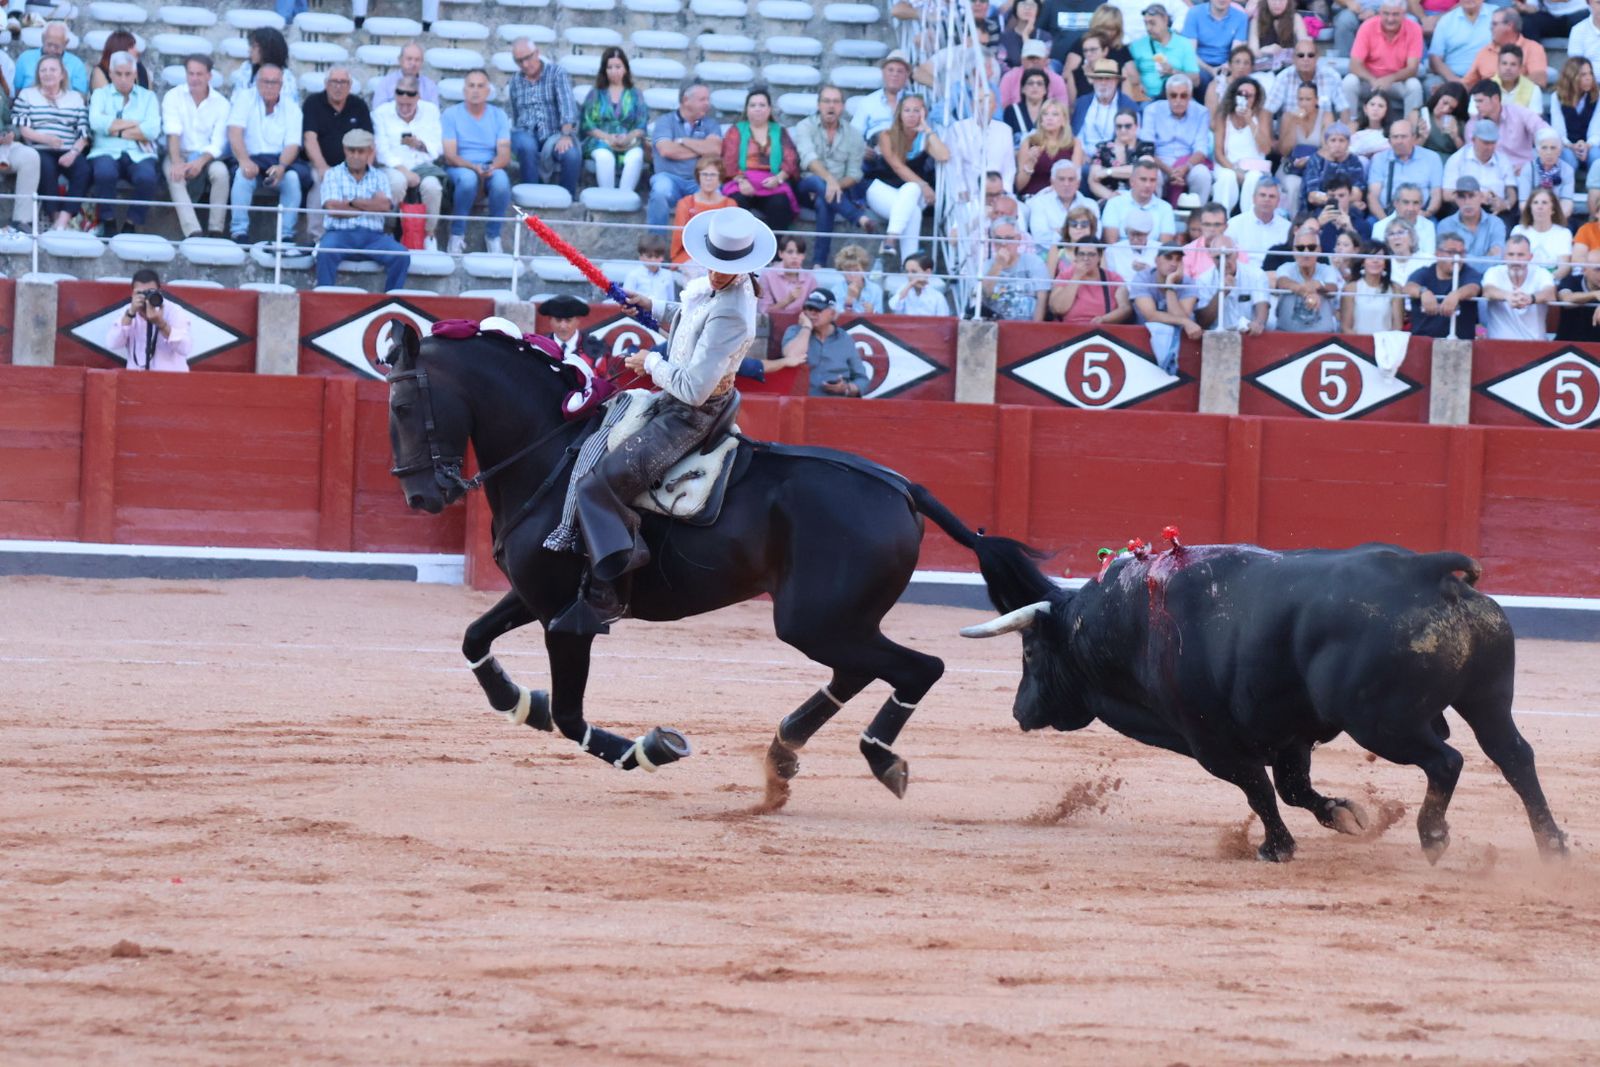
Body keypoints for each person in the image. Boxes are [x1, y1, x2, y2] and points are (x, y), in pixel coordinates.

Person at [562, 207, 771, 633]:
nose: (714, 273)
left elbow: (693, 388)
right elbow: (689, 317)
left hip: (692, 414)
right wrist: (652, 305)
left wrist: (649, 362)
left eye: (723, 268)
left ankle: (611, 592)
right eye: (712, 264)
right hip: (677, 401)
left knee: (599, 485)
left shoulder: (733, 311)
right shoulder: (717, 290)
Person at [313, 128, 409, 290]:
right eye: (351, 150)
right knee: (325, 252)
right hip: (339, 235)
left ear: (370, 152)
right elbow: (333, 208)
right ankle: (324, 298)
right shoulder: (332, 174)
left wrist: (350, 203)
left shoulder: (380, 176)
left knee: (401, 256)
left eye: (360, 151)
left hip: (374, 238)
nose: (355, 156)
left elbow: (384, 206)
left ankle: (392, 301)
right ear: (344, 150)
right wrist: (369, 204)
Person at [864, 94, 947, 268]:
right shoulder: (886, 135)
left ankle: (890, 241)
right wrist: (923, 185)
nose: (911, 114)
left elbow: (944, 155)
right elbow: (897, 166)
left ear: (924, 113)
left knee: (911, 192)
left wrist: (926, 128)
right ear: (899, 113)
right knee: (914, 208)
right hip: (883, 190)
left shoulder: (926, 139)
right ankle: (909, 266)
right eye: (907, 110)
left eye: (916, 110)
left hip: (914, 195)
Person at [793, 85, 871, 268]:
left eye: (836, 101)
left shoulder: (853, 135)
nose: (831, 106)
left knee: (824, 201)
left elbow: (854, 174)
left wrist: (833, 185)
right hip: (806, 188)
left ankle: (819, 263)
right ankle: (857, 217)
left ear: (842, 106)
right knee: (815, 181)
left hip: (835, 192)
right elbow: (808, 159)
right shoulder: (805, 126)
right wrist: (829, 181)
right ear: (818, 104)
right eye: (826, 101)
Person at [226, 64, 305, 245]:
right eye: (265, 82)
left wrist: (282, 166)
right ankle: (239, 232)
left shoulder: (292, 107)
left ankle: (286, 235)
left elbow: (293, 144)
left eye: (274, 82)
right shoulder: (245, 98)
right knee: (241, 175)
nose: (269, 86)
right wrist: (244, 161)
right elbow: (235, 132)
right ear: (257, 82)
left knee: (292, 179)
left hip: (278, 161)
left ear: (281, 84)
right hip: (250, 158)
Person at [88, 51, 160, 236]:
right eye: (118, 74)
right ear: (110, 74)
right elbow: (96, 122)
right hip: (105, 150)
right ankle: (108, 220)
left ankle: (131, 223)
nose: (123, 79)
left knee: (147, 178)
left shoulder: (148, 97)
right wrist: (136, 123)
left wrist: (114, 128)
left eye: (128, 74)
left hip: (139, 152)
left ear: (135, 74)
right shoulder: (100, 94)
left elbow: (152, 130)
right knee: (104, 173)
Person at [441, 69, 512, 255]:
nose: (475, 90)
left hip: (489, 164)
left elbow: (504, 154)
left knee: (502, 182)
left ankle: (493, 236)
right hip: (459, 166)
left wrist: (491, 167)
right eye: (471, 85)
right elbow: (450, 155)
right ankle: (456, 235)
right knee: (468, 180)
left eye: (480, 86)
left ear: (488, 91)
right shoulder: (451, 114)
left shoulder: (499, 116)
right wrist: (474, 168)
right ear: (464, 90)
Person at [15, 56, 89, 232]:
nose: (48, 74)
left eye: (52, 70)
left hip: (68, 149)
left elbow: (84, 133)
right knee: (46, 166)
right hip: (40, 148)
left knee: (84, 169)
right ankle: (53, 216)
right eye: (43, 70)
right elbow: (24, 130)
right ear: (38, 74)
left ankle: (63, 220)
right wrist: (47, 139)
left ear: (62, 74)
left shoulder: (75, 98)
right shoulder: (27, 94)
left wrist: (73, 153)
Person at [374, 74, 445, 254]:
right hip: (393, 166)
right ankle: (389, 231)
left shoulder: (430, 111)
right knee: (397, 183)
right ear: (395, 98)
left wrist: (420, 145)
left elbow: (437, 148)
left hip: (423, 166)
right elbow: (381, 151)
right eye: (401, 104)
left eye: (409, 105)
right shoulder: (381, 113)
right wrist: (404, 171)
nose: (405, 108)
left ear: (418, 98)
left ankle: (429, 234)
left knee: (433, 187)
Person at [162, 55, 230, 239]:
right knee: (173, 174)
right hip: (179, 152)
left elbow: (218, 142)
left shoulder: (222, 104)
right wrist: (177, 163)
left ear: (209, 76)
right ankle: (193, 232)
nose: (194, 78)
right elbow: (173, 132)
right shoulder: (173, 96)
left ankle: (216, 230)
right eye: (190, 73)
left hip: (207, 156)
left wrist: (199, 163)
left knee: (221, 173)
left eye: (199, 74)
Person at [301, 68, 373, 243]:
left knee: (370, 185)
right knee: (319, 182)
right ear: (326, 84)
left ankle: (360, 239)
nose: (338, 87)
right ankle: (317, 240)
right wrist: (322, 167)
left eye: (343, 82)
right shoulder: (313, 103)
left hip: (353, 166)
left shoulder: (359, 105)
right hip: (320, 164)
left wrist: (365, 170)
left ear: (349, 86)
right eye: (334, 82)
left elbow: (369, 142)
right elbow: (309, 139)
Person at [720, 87, 800, 233]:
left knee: (780, 203)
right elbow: (728, 161)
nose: (758, 109)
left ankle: (775, 253)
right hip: (742, 182)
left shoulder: (779, 131)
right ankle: (737, 251)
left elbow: (791, 159)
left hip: (772, 183)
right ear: (747, 109)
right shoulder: (736, 130)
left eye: (762, 105)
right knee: (736, 202)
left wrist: (779, 178)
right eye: (753, 105)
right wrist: (742, 181)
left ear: (769, 109)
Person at [507, 42, 581, 197]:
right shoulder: (515, 80)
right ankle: (530, 198)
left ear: (537, 53)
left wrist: (566, 135)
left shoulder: (556, 73)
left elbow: (567, 105)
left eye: (528, 58)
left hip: (554, 132)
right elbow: (515, 113)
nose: (525, 64)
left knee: (571, 154)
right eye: (519, 61)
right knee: (526, 146)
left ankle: (567, 200)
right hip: (524, 131)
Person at [647, 81, 722, 234]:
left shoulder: (710, 124)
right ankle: (655, 248)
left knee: (718, 192)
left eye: (708, 99)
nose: (707, 104)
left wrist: (683, 141)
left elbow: (715, 150)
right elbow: (666, 150)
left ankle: (707, 248)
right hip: (668, 178)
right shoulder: (665, 121)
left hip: (700, 180)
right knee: (660, 191)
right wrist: (701, 148)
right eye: (703, 99)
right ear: (686, 100)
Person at [1342, 0, 1424, 120]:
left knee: (1414, 86)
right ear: (1380, 12)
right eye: (1386, 14)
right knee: (1349, 82)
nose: (1390, 19)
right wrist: (1373, 80)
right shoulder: (1368, 26)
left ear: (1404, 14)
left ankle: (1409, 130)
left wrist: (1390, 79)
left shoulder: (1414, 29)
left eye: (1395, 14)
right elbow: (1354, 65)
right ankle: (1349, 126)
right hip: (1369, 81)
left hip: (1396, 82)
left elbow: (1412, 68)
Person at [581, 47, 648, 195]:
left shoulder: (636, 94)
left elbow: (641, 124)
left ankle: (624, 197)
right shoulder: (595, 94)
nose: (614, 71)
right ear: (604, 70)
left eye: (618, 67)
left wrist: (629, 137)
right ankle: (607, 197)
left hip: (629, 141)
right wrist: (607, 137)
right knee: (605, 157)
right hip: (600, 141)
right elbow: (587, 124)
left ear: (625, 69)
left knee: (636, 156)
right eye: (609, 67)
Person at [782, 287, 871, 396]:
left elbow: (862, 380)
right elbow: (792, 356)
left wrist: (846, 388)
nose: (811, 313)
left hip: (836, 405)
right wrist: (806, 328)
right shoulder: (794, 331)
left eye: (817, 309)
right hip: (800, 403)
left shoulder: (844, 339)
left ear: (832, 313)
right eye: (808, 308)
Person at [1141, 74, 1211, 204]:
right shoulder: (1152, 110)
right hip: (1160, 162)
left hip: (1187, 162)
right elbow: (1147, 149)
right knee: (1147, 166)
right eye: (1173, 95)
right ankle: (1154, 213)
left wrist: (1184, 168)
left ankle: (1197, 216)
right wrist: (1170, 171)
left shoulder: (1201, 112)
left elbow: (1201, 149)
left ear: (1190, 96)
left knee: (1202, 174)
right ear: (1167, 96)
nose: (1178, 100)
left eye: (1183, 96)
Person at [103, 270, 192, 372]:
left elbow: (185, 348)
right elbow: (112, 344)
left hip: (170, 379)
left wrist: (161, 324)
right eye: (140, 293)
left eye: (150, 292)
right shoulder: (128, 311)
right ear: (132, 294)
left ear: (159, 292)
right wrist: (130, 315)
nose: (145, 298)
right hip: (136, 379)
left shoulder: (173, 311)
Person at [1129, 245, 1199, 372]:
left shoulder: (1188, 282)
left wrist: (1170, 286)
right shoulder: (1142, 278)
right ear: (1156, 260)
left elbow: (1182, 318)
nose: (1173, 263)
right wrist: (1185, 322)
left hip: (1181, 347)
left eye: (1178, 259)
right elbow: (1151, 315)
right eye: (1168, 258)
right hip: (1142, 345)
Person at [1212, 75, 1273, 213]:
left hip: (1255, 167)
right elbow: (1218, 153)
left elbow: (1266, 148)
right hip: (1229, 165)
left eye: (1249, 95)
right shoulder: (1223, 115)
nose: (1244, 98)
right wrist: (1234, 170)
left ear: (1255, 98)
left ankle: (1249, 219)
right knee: (1227, 178)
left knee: (1253, 178)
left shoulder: (1262, 115)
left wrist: (1250, 121)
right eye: (1240, 94)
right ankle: (1220, 218)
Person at [1403, 232, 1482, 338]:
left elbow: (1473, 288)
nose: (1457, 258)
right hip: (1423, 340)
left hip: (1460, 343)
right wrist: (1423, 292)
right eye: (1451, 252)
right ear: (1438, 254)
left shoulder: (1469, 272)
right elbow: (1409, 287)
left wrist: (1457, 295)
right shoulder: (1425, 272)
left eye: (1461, 253)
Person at [1481, 233, 1556, 338]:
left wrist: (1530, 298)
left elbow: (1550, 293)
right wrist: (1508, 296)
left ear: (1530, 257)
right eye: (1511, 254)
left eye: (1520, 255)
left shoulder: (1542, 273)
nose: (1515, 259)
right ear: (1504, 256)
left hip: (1535, 346)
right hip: (1498, 346)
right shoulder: (1493, 272)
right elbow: (1488, 291)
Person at [1550, 58, 1598, 218]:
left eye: (1590, 73)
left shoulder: (1597, 96)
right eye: (1583, 74)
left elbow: (1597, 129)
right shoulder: (1557, 97)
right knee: (1566, 158)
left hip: (1591, 145)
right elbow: (1558, 131)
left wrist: (1587, 144)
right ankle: (1564, 202)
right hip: (1568, 145)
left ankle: (1596, 203)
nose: (1589, 78)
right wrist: (1572, 145)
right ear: (1572, 76)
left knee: (1597, 157)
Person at [1368, 119, 1443, 218]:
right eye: (1395, 137)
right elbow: (1373, 196)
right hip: (1386, 214)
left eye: (1403, 137)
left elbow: (1436, 193)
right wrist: (1385, 221)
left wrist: (1427, 213)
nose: (1399, 141)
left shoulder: (1432, 158)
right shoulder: (1379, 159)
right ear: (1389, 140)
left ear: (1414, 138)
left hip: (1420, 214)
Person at [1443, 117, 1518, 215]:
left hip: (1496, 211)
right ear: (1473, 140)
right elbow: (1447, 195)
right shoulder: (1457, 159)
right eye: (1485, 143)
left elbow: (1511, 191)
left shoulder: (1503, 160)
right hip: (1463, 209)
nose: (1490, 147)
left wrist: (1505, 204)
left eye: (1493, 143)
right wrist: (1476, 197)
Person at [1469, 80, 1547, 174]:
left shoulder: (1519, 113)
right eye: (1475, 102)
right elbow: (1472, 157)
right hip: (1490, 175)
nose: (1476, 106)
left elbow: (1545, 131)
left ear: (1495, 99)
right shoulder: (1473, 124)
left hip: (1522, 172)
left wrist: (1532, 165)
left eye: (1480, 101)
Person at [671, 156, 735, 266]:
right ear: (698, 177)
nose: (708, 178)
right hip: (690, 257)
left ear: (720, 178)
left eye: (713, 175)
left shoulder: (730, 204)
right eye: (704, 174)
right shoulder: (685, 203)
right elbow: (678, 238)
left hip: (721, 258)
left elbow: (733, 239)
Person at [1462, 9, 1549, 90]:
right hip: (1487, 102)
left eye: (1495, 24)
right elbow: (1467, 83)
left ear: (1509, 26)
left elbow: (1539, 80)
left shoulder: (1533, 48)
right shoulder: (1484, 51)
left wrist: (1504, 87)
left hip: (1520, 101)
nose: (1490, 28)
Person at [0, 62, 41, 235]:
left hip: (3, 146)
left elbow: (10, 121)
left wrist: (11, 134)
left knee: (29, 156)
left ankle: (21, 221)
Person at [1048, 241, 1131, 325]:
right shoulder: (1065, 276)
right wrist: (1076, 277)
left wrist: (1104, 319)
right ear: (1076, 257)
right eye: (1081, 254)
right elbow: (1058, 309)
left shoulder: (1113, 278)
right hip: (1068, 327)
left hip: (1102, 328)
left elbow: (1125, 308)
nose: (1086, 258)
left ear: (1099, 257)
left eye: (1091, 254)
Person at [1266, 40, 1350, 122]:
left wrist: (1343, 132)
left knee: (1327, 117)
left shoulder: (1332, 76)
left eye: (1310, 55)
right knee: (1287, 117)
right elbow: (1267, 110)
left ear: (1317, 57)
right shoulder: (1283, 77)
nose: (1306, 59)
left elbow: (1343, 108)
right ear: (1294, 58)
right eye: (1301, 55)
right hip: (1292, 129)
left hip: (1322, 130)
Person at [982, 218, 1050, 320]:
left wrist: (1035, 329)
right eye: (998, 239)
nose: (1003, 244)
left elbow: (1042, 299)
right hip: (995, 325)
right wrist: (998, 265)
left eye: (1009, 238)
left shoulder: (1034, 262)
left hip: (1027, 325)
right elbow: (985, 296)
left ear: (1018, 239)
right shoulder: (987, 266)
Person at [1277, 83, 1330, 211]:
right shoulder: (1288, 117)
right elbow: (1284, 151)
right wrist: (1293, 124)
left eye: (1308, 99)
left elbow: (1328, 149)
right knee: (1293, 184)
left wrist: (1309, 160)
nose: (1304, 103)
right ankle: (1294, 224)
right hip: (1291, 168)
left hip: (1316, 168)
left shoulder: (1326, 116)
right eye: (1300, 99)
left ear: (1316, 100)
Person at [1129, 5, 1198, 103]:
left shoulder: (1183, 44)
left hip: (1178, 98)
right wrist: (1137, 87)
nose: (1148, 28)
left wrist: (1174, 72)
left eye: (1152, 23)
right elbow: (1129, 75)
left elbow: (1196, 81)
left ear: (1165, 20)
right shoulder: (1137, 46)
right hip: (1147, 99)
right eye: (1146, 23)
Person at [1194, 245, 1270, 333]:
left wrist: (1258, 323)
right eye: (1218, 257)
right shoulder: (1203, 279)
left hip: (1250, 335)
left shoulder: (1256, 274)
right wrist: (1221, 293)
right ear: (1211, 258)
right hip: (1216, 336)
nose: (1224, 262)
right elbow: (1203, 322)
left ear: (1236, 254)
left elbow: (1262, 304)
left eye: (1227, 256)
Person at [1101, 156, 1178, 242]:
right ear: (1132, 181)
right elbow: (1111, 246)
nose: (1148, 185)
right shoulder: (1114, 204)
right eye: (1143, 179)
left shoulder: (1165, 208)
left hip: (1154, 255)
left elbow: (1164, 250)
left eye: (1152, 180)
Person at [1181, 0, 1250, 95]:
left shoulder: (1241, 17)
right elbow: (1190, 53)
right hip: (1200, 64)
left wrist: (1227, 66)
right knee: (1198, 76)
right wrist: (1210, 69)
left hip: (1226, 65)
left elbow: (1236, 52)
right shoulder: (1194, 13)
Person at [851, 51, 918, 147]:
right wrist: (862, 149)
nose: (895, 74)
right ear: (883, 72)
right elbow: (854, 135)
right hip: (876, 151)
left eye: (900, 71)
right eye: (890, 70)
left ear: (907, 75)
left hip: (907, 150)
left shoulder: (915, 101)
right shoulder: (868, 102)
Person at [1436, 174, 1507, 265]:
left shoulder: (1496, 223)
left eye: (1472, 196)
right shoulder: (1445, 225)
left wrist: (1461, 258)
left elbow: (1497, 259)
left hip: (1490, 278)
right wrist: (1486, 257)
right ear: (1456, 199)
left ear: (1481, 197)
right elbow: (1448, 262)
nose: (1467, 202)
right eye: (1462, 197)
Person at [1027, 159, 1098, 249]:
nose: (1066, 184)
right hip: (1048, 255)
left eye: (1071, 179)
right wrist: (1075, 234)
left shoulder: (1091, 205)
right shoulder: (1039, 203)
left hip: (1083, 255)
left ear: (1078, 183)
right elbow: (1040, 237)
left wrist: (1059, 232)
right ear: (1052, 182)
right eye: (1061, 179)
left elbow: (1095, 236)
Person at [1087, 107, 1154, 200]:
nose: (1123, 130)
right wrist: (1113, 198)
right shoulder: (1102, 148)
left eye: (1128, 126)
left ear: (1136, 126)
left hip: (1138, 199)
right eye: (1119, 126)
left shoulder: (1145, 147)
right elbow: (1093, 180)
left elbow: (1142, 170)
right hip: (1109, 200)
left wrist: (1107, 172)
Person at [1014, 99, 1076, 197]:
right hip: (1033, 196)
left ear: (1064, 120)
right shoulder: (1029, 142)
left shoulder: (1074, 144)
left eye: (1055, 114)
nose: (1049, 118)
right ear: (1041, 120)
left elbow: (1075, 180)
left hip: (1062, 197)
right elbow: (1019, 186)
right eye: (1045, 114)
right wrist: (1030, 163)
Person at [1074, 57, 1137, 152]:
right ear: (1093, 81)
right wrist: (1081, 155)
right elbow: (1075, 135)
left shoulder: (1128, 105)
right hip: (1082, 156)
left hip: (1116, 157)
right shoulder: (1082, 103)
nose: (1103, 83)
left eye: (1108, 79)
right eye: (1099, 79)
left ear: (1116, 81)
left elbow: (1133, 139)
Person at [1428, 0, 1494, 88]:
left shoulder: (1498, 15)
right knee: (1431, 84)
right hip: (1454, 78)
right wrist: (1455, 81)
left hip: (1489, 78)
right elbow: (1435, 58)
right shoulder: (1447, 20)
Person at [1340, 241, 1403, 332]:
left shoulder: (1395, 289)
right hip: (1356, 343)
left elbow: (1397, 327)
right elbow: (1346, 327)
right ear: (1362, 262)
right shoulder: (1351, 288)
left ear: (1385, 263)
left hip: (1386, 343)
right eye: (1370, 256)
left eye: (1380, 257)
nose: (1375, 260)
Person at [13, 22, 89, 95]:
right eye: (49, 45)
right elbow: (16, 92)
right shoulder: (25, 58)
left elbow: (81, 97)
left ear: (66, 43)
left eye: (57, 46)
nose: (52, 50)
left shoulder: (76, 64)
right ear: (43, 39)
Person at [1511, 187, 1573, 277]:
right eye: (1535, 203)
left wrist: (1545, 281)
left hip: (1552, 282)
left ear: (1553, 209)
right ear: (1530, 208)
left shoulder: (1563, 233)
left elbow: (1564, 267)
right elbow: (1512, 262)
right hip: (1522, 280)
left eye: (1544, 203)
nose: (1539, 207)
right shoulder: (1518, 230)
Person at [1225, 177, 1291, 258]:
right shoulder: (1234, 225)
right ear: (1254, 199)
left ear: (1278, 202)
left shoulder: (1287, 228)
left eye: (1272, 196)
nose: (1267, 199)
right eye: (1262, 195)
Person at [230, 27, 300, 103]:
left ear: (267, 49)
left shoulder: (286, 78)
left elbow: (290, 107)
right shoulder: (246, 69)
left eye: (254, 47)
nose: (249, 50)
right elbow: (235, 100)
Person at [999, 39, 1072, 109]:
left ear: (1045, 60)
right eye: (1030, 58)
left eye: (1037, 58)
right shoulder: (1009, 78)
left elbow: (1063, 109)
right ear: (1022, 60)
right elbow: (1003, 106)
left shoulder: (1057, 80)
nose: (1034, 61)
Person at [758, 234, 816, 315]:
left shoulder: (810, 279)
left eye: (799, 253)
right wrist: (788, 300)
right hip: (773, 323)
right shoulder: (767, 275)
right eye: (790, 252)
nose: (795, 257)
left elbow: (813, 311)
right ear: (780, 254)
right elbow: (764, 312)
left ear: (803, 256)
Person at [370, 43, 439, 109]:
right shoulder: (386, 83)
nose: (413, 63)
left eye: (417, 60)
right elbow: (378, 110)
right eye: (409, 59)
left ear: (422, 62)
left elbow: (434, 112)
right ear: (400, 60)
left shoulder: (430, 86)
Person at [1371, 181, 1434, 252]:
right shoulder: (1380, 226)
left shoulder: (1428, 226)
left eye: (1415, 203)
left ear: (1421, 204)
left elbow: (1430, 258)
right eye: (1406, 202)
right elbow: (1379, 258)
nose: (1411, 208)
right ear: (1395, 203)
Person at [1249, 0, 1306, 74]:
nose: (1277, 3)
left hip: (1289, 69)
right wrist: (1265, 50)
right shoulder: (1256, 20)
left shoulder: (1295, 18)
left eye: (1281, 1)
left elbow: (1305, 45)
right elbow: (1252, 51)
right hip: (1264, 70)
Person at [1555, 248, 1600, 340]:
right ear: (1584, 270)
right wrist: (1594, 294)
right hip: (1567, 345)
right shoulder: (1571, 281)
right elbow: (1566, 298)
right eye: (1598, 269)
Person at [621, 233, 678, 305]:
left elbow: (671, 301)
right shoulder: (633, 275)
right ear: (641, 257)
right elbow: (626, 300)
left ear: (662, 257)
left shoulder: (668, 275)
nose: (653, 260)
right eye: (649, 256)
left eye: (657, 256)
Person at [1105, 207, 1161, 279]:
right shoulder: (1112, 251)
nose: (1135, 239)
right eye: (1132, 234)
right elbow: (1110, 280)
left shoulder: (1160, 249)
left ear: (1148, 233)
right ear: (1126, 232)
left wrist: (1149, 271)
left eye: (1139, 234)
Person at [536, 294, 594, 363]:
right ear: (550, 320)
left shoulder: (595, 349)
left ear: (578, 320)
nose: (563, 326)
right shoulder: (539, 347)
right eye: (558, 320)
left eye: (568, 320)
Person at [1419, 82, 1469, 160]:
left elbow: (1466, 155)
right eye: (1445, 103)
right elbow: (1409, 150)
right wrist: (1422, 137)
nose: (1445, 110)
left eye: (1451, 108)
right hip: (1424, 160)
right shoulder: (1421, 115)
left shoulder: (1459, 123)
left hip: (1448, 161)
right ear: (1438, 97)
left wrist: (1455, 137)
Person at [831, 243, 885, 314]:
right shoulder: (836, 290)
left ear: (864, 269)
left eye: (857, 270)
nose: (852, 275)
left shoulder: (876, 290)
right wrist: (849, 301)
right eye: (848, 271)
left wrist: (872, 312)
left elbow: (880, 318)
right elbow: (836, 319)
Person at [1004, 68, 1051, 145]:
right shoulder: (1012, 110)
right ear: (1023, 89)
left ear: (1045, 90)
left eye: (1039, 83)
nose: (1035, 86)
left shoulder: (1053, 110)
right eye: (1030, 83)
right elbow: (1007, 142)